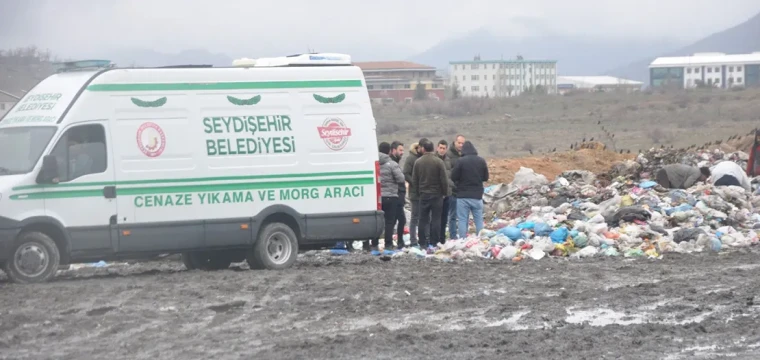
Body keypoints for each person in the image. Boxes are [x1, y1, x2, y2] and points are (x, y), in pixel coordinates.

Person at [411, 139, 449, 249]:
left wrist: (419, 193)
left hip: (423, 195)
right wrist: (444, 193)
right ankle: (434, 242)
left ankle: (423, 242)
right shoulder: (438, 162)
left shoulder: (418, 162)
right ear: (433, 149)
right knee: (436, 219)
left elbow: (415, 180)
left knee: (423, 219)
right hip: (437, 195)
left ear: (423, 149)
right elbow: (444, 180)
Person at [451, 141, 489, 239]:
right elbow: (486, 177)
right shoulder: (481, 161)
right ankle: (481, 239)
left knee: (463, 220)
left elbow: (453, 176)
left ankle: (463, 240)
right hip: (477, 196)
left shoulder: (461, 161)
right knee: (479, 220)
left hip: (462, 196)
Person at [378, 142, 405, 250]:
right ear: (389, 151)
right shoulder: (392, 164)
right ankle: (388, 244)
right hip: (391, 196)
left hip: (378, 197)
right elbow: (401, 179)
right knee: (390, 221)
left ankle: (373, 243)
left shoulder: (373, 162)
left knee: (379, 221)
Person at [403, 139, 427, 247]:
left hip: (423, 192)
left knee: (424, 217)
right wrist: (415, 183)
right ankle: (413, 240)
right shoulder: (410, 158)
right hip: (414, 193)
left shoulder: (422, 158)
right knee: (414, 217)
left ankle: (423, 239)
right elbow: (406, 173)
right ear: (418, 148)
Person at [436, 140, 455, 244]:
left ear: (446, 149)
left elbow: (451, 175)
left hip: (447, 194)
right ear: (437, 148)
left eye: (444, 148)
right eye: (440, 148)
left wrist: (451, 186)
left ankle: (442, 239)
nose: (442, 150)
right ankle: (434, 239)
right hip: (437, 194)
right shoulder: (434, 159)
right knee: (435, 218)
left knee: (444, 218)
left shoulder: (449, 160)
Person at [389, 141, 407, 249]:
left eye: (403, 150)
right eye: (400, 150)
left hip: (397, 195)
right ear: (393, 150)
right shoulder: (393, 163)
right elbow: (399, 179)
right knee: (400, 219)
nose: (402, 153)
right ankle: (398, 241)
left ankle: (393, 241)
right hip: (396, 195)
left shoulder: (394, 162)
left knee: (395, 220)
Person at [447, 135, 465, 239]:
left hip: (463, 190)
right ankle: (453, 236)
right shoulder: (449, 155)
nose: (461, 145)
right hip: (453, 190)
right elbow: (448, 173)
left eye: (463, 143)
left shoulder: (464, 155)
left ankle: (462, 236)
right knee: (452, 215)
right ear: (455, 142)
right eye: (459, 143)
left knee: (462, 216)